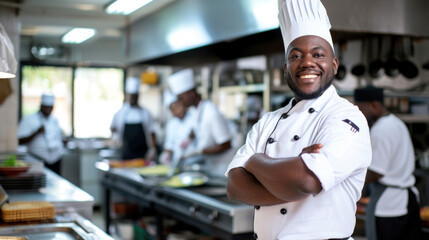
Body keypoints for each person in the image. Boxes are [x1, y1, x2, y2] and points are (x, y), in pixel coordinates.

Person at [225, 0, 372, 239]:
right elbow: (234, 186)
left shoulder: (346, 118)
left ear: (333, 65)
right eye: (296, 56)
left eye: (318, 54)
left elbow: (306, 181)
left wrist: (255, 161)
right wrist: (290, 176)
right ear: (286, 67)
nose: (307, 62)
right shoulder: (268, 121)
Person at [354, 86, 422, 240]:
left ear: (374, 105)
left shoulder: (381, 130)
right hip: (407, 201)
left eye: (360, 108)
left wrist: (350, 184)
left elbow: (376, 171)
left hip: (389, 206)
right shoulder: (395, 122)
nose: (358, 113)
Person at [167, 68, 232, 165]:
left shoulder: (211, 113)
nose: (180, 102)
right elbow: (197, 127)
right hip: (209, 165)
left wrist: (199, 151)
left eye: (181, 98)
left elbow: (226, 145)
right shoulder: (195, 110)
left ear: (192, 93)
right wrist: (188, 139)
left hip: (221, 168)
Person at [110, 77, 157, 161]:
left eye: (135, 96)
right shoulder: (120, 113)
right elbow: (113, 127)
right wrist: (115, 135)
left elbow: (152, 132)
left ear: (138, 96)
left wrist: (153, 149)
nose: (133, 99)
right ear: (127, 96)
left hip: (142, 154)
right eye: (132, 96)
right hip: (126, 153)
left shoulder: (146, 113)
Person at [18, 94, 65, 175]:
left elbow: (58, 137)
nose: (48, 110)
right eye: (46, 107)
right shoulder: (29, 119)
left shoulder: (54, 120)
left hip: (56, 160)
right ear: (41, 106)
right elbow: (19, 141)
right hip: (37, 160)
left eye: (50, 107)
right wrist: (36, 132)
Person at [159, 89, 197, 166]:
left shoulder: (194, 115)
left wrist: (189, 138)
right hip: (178, 163)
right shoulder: (171, 124)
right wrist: (166, 154)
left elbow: (197, 130)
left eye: (177, 107)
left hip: (195, 161)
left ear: (182, 103)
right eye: (173, 110)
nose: (177, 111)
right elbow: (169, 144)